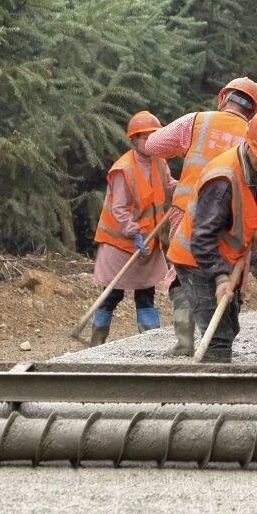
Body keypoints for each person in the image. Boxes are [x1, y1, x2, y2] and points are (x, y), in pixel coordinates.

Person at [145, 76, 257, 356]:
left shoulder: (196, 122)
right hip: (236, 224)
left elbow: (153, 144)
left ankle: (188, 340)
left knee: (183, 272)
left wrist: (186, 151)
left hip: (187, 213)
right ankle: (218, 337)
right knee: (229, 278)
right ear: (253, 109)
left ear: (223, 98)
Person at [166, 109, 257, 362]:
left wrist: (254, 232)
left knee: (230, 326)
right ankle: (211, 383)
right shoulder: (222, 179)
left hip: (220, 257)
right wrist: (221, 278)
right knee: (218, 338)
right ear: (250, 142)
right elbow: (202, 239)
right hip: (195, 261)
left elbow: (241, 208)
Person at [88, 111, 175, 346]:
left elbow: (168, 186)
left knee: (146, 294)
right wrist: (134, 232)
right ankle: (96, 343)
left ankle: (149, 343)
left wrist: (187, 187)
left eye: (154, 136)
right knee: (112, 294)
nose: (150, 141)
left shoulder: (159, 162)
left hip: (149, 241)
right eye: (145, 137)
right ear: (134, 140)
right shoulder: (123, 169)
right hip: (120, 244)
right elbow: (119, 209)